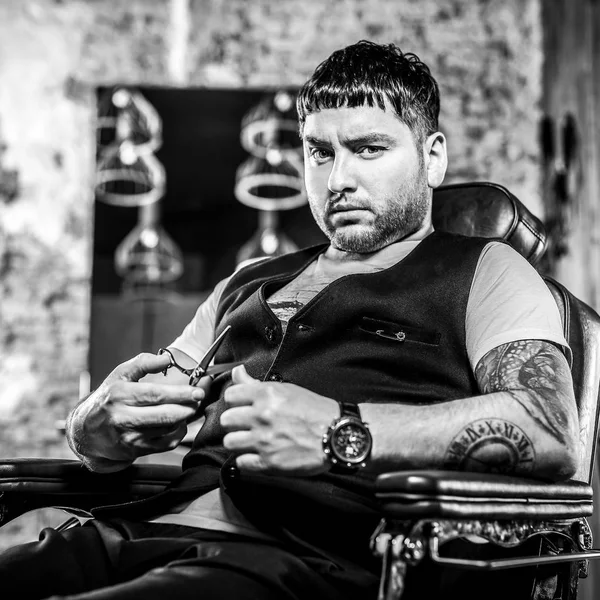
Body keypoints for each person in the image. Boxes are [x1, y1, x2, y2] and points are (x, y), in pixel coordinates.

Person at [0, 40, 579, 600]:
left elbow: (550, 429)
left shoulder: (485, 270)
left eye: (369, 149)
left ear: (432, 158)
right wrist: (93, 426)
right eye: (320, 152)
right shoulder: (249, 279)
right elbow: (147, 402)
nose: (338, 180)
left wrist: (339, 431)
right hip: (136, 533)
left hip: (302, 560)